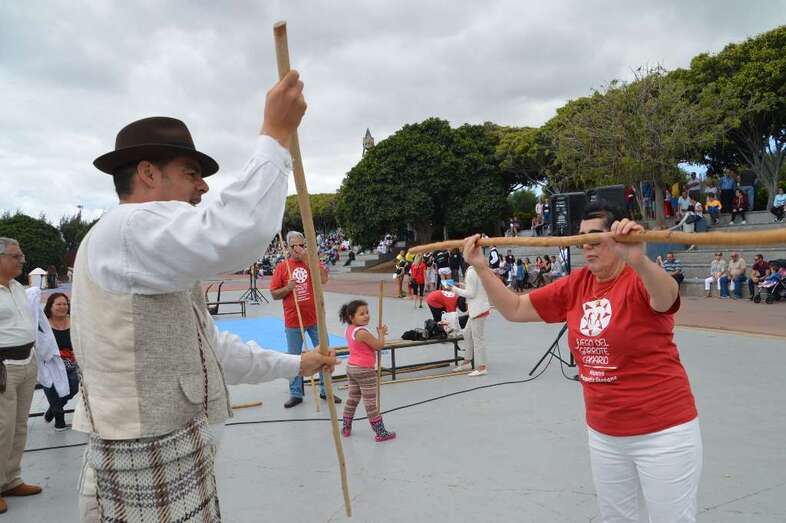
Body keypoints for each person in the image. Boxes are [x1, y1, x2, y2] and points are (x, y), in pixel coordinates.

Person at [72, 73, 338, 521]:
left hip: (174, 445)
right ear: (148, 173)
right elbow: (238, 234)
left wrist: (296, 364)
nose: (203, 186)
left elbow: (209, 350)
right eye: (191, 173)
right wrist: (274, 136)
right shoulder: (127, 230)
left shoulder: (149, 248)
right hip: (147, 449)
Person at [462, 201, 701, 522]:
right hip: (605, 434)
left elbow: (667, 296)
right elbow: (515, 309)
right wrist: (480, 267)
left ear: (617, 238)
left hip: (663, 433)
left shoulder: (637, 279)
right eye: (580, 238)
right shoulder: (576, 285)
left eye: (595, 237)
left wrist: (639, 259)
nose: (586, 245)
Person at [271, 231, 341, 408]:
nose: (297, 249)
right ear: (287, 247)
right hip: (293, 320)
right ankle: (296, 393)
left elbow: (324, 279)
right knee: (294, 358)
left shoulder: (312, 262)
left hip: (315, 318)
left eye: (300, 245)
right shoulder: (282, 267)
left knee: (324, 354)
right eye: (293, 246)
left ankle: (326, 390)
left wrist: (308, 259)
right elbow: (274, 294)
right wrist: (288, 287)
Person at [0, 238, 43, 514]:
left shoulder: (18, 288)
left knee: (19, 425)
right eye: (16, 256)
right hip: (3, 366)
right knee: (1, 429)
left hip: (28, 361)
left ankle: (11, 480)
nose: (22, 260)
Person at [338, 300, 395, 441]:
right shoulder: (362, 332)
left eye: (367, 312)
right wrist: (381, 333)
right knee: (370, 403)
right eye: (361, 314)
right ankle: (380, 432)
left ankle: (346, 427)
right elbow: (379, 346)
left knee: (352, 399)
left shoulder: (349, 329)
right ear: (352, 317)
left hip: (352, 368)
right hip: (364, 371)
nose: (366, 316)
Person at [41, 293, 80, 431]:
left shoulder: (74, 321)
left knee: (74, 387)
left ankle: (53, 409)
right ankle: (59, 419)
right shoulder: (43, 324)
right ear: (50, 306)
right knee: (51, 389)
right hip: (51, 364)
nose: (63, 307)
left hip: (72, 362)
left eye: (65, 304)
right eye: (58, 304)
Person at [447, 267, 490, 377]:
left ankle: (482, 367)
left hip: (477, 309)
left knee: (478, 339)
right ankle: (467, 362)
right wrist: (462, 285)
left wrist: (455, 289)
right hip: (478, 308)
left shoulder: (472, 270)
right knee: (467, 333)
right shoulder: (478, 269)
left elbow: (471, 294)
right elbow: (475, 289)